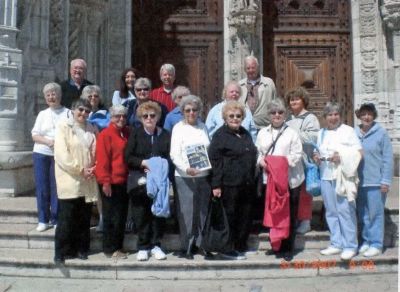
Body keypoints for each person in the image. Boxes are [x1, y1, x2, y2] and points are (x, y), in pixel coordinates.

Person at [256, 98, 304, 261]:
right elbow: (259, 153)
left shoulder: (292, 133)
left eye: (280, 112)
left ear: (285, 114)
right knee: (274, 213)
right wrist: (262, 162)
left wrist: (277, 165)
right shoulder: (262, 133)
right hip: (270, 181)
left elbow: (296, 155)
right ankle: (275, 244)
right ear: (269, 115)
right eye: (273, 112)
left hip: (290, 180)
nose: (277, 115)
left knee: (289, 214)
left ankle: (288, 247)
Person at [313, 102, 362, 261]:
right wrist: (316, 157)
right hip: (326, 176)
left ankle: (350, 245)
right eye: (330, 115)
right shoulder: (321, 133)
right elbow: (317, 150)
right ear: (325, 117)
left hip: (343, 177)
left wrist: (341, 156)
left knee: (345, 211)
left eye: (336, 114)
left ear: (340, 116)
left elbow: (359, 152)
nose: (333, 118)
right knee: (331, 211)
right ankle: (336, 242)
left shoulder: (348, 131)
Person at [208, 100, 257, 260]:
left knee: (244, 215)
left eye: (238, 116)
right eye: (231, 116)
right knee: (229, 217)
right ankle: (227, 249)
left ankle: (240, 245)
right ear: (224, 118)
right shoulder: (220, 136)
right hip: (228, 185)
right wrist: (216, 184)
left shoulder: (245, 133)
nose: (235, 118)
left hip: (246, 184)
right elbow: (215, 162)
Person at [53, 98, 99, 264]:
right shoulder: (64, 127)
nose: (83, 113)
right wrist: (80, 169)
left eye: (87, 111)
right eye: (80, 110)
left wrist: (94, 168)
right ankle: (61, 251)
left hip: (87, 179)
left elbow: (96, 151)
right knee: (66, 218)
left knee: (83, 218)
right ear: (72, 110)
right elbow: (61, 155)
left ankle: (81, 249)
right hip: (70, 178)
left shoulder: (92, 128)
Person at [124, 101, 171, 261]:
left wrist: (158, 167)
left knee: (158, 212)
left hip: (159, 180)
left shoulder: (165, 134)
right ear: (141, 118)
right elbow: (128, 157)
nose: (149, 118)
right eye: (145, 116)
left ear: (158, 117)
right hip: (140, 179)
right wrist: (143, 163)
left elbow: (168, 156)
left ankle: (156, 245)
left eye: (152, 115)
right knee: (141, 212)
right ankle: (143, 246)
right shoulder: (136, 134)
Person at [170, 95, 211, 260]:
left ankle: (201, 244)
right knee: (187, 212)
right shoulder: (178, 128)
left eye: (194, 109)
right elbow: (174, 153)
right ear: (182, 112)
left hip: (203, 175)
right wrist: (186, 168)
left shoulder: (203, 127)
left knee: (202, 211)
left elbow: (208, 149)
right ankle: (187, 246)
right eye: (188, 110)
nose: (191, 113)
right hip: (184, 176)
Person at [355, 103, 393, 257]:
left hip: (376, 182)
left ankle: (376, 243)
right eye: (363, 114)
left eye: (369, 114)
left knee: (375, 214)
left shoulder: (381, 133)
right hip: (359, 182)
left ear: (374, 115)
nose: (366, 117)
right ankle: (366, 241)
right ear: (359, 116)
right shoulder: (354, 133)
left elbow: (388, 159)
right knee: (362, 213)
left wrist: (385, 181)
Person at [31, 82, 69, 232]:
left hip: (59, 154)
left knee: (57, 187)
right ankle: (43, 219)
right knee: (42, 187)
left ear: (59, 95)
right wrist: (48, 141)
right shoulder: (42, 114)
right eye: (48, 95)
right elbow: (35, 135)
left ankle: (56, 218)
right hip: (42, 153)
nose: (51, 97)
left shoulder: (67, 113)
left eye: (54, 94)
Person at [95, 105, 130, 260]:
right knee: (111, 217)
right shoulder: (106, 134)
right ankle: (110, 248)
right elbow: (102, 160)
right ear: (111, 117)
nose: (121, 118)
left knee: (121, 216)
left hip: (124, 181)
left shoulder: (127, 133)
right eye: (117, 116)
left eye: (123, 116)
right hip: (111, 182)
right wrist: (105, 182)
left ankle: (119, 246)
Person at [285, 87, 320, 234]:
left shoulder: (310, 118)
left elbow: (313, 136)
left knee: (305, 193)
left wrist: (292, 135)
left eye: (297, 98)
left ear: (303, 100)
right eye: (291, 99)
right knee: (293, 192)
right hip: (291, 161)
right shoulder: (288, 118)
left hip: (305, 161)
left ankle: (306, 221)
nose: (294, 101)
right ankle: (295, 219)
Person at [239, 55, 276, 129]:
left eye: (253, 67)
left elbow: (274, 102)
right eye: (248, 68)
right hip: (244, 126)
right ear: (244, 70)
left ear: (258, 67)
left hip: (264, 126)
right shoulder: (240, 85)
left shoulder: (268, 83)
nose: (251, 70)